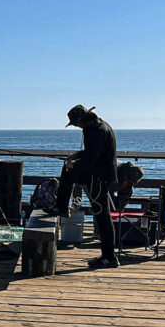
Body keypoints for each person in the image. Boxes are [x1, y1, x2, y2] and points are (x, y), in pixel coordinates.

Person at [45, 105, 119, 268]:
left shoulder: (96, 131)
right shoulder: (98, 125)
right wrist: (76, 156)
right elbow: (91, 152)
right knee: (67, 170)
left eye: (76, 124)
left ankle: (109, 257)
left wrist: (75, 165)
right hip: (99, 175)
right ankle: (62, 207)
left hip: (99, 178)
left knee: (103, 216)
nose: (77, 127)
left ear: (81, 121)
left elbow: (91, 159)